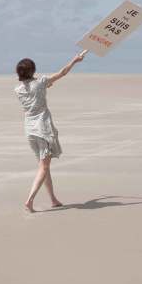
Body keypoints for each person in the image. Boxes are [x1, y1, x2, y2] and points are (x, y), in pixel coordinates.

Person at [14, 51, 87, 212]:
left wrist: (44, 85)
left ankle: (53, 199)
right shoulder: (41, 82)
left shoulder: (18, 90)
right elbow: (62, 73)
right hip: (43, 129)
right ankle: (30, 200)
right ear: (33, 70)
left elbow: (34, 89)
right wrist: (75, 60)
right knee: (44, 167)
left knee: (43, 166)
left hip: (30, 130)